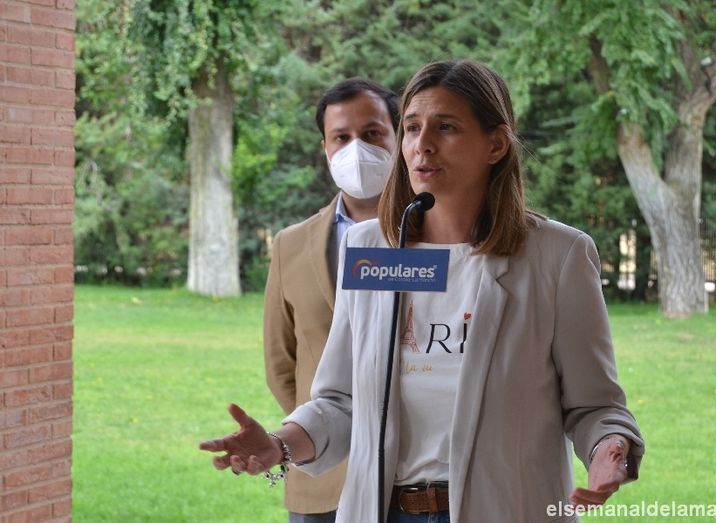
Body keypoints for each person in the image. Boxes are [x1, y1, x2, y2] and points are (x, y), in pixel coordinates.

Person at [201, 60, 644, 523]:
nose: (422, 145)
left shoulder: (557, 255)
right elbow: (341, 401)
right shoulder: (371, 248)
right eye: (411, 128)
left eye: (445, 127)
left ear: (496, 144)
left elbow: (596, 405)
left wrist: (608, 447)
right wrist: (279, 444)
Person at [262, 78, 399, 522]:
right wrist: (319, 435)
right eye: (342, 137)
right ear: (325, 147)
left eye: (373, 133)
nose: (357, 148)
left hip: (412, 479)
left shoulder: (440, 236)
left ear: (399, 138)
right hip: (321, 480)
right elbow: (281, 364)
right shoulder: (291, 245)